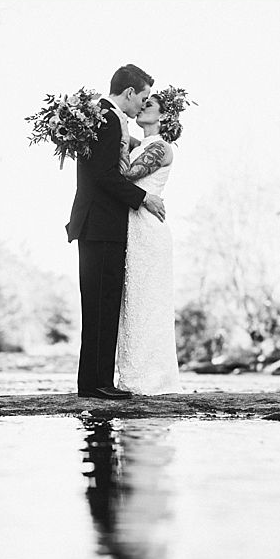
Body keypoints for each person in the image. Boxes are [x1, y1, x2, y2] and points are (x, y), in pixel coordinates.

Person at [66, 64, 166, 400]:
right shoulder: (108, 119)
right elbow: (105, 177)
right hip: (101, 225)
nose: (143, 104)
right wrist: (143, 198)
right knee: (101, 305)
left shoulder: (104, 117)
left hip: (96, 224)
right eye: (144, 97)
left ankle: (92, 382)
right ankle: (97, 384)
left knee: (99, 305)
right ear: (129, 93)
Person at [115, 90, 186, 395]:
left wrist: (118, 143)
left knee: (148, 304)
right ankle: (131, 376)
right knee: (131, 304)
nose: (142, 107)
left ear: (164, 116)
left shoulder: (161, 147)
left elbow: (127, 174)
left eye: (150, 105)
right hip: (133, 229)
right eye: (142, 102)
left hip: (149, 232)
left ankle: (153, 379)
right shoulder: (142, 144)